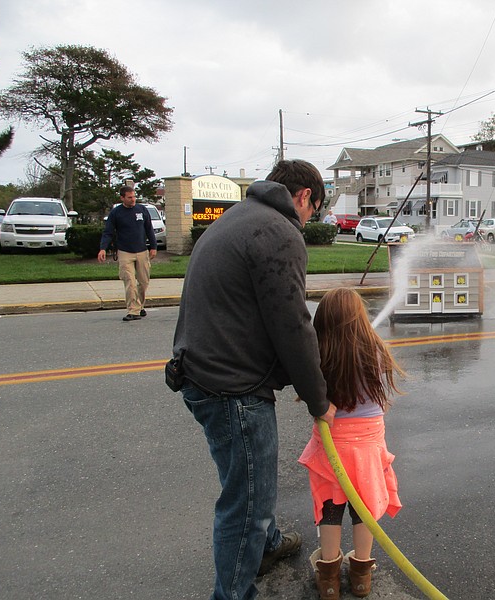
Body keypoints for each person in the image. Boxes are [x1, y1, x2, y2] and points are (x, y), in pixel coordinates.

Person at [172, 159, 337, 600]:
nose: (309, 220)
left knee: (248, 483)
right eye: (314, 210)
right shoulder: (278, 231)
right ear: (304, 196)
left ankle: (265, 545)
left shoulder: (239, 218)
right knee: (245, 503)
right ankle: (233, 593)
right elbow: (292, 324)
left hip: (202, 372)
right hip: (231, 388)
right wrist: (319, 400)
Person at [298, 288, 404, 600]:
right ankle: (361, 577)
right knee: (364, 510)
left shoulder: (318, 355)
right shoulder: (376, 351)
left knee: (330, 508)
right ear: (359, 319)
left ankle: (329, 577)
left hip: (332, 445)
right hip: (368, 447)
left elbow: (309, 390)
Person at [98, 186, 157, 321]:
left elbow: (149, 229)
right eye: (129, 197)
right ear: (122, 198)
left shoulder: (142, 210)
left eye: (134, 196)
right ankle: (133, 310)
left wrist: (153, 246)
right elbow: (108, 232)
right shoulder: (116, 213)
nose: (133, 199)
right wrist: (103, 248)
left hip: (142, 251)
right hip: (125, 252)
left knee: (143, 282)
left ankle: (140, 306)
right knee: (129, 281)